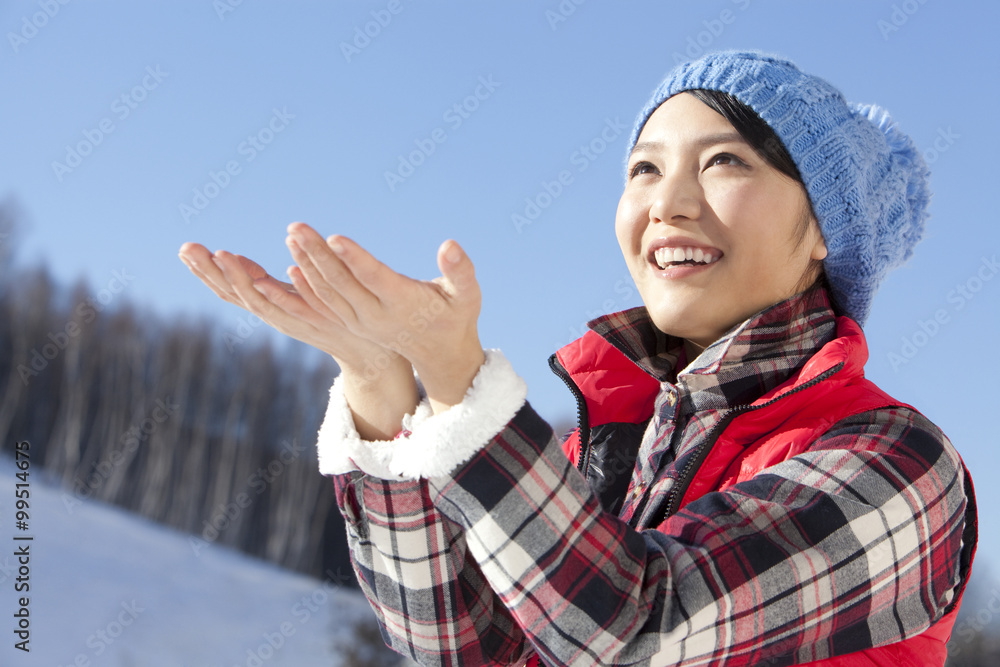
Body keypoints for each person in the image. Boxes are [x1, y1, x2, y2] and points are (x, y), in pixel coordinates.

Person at [179, 50, 977, 666]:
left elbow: (635, 628)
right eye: (644, 168)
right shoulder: (597, 455)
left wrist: (458, 376)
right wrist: (379, 385)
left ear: (825, 233)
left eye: (724, 161)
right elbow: (469, 649)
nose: (668, 201)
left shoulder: (898, 465)